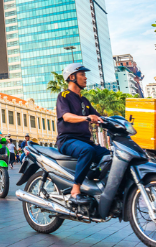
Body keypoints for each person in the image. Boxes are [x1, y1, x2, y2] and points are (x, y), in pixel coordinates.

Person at [56, 63, 110, 205]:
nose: (85, 78)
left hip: (84, 141)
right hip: (67, 140)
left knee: (108, 156)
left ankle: (95, 185)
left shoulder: (84, 100)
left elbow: (99, 118)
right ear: (72, 77)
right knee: (87, 151)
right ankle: (75, 190)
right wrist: (86, 118)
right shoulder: (63, 96)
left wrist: (115, 123)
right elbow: (66, 116)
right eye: (82, 75)